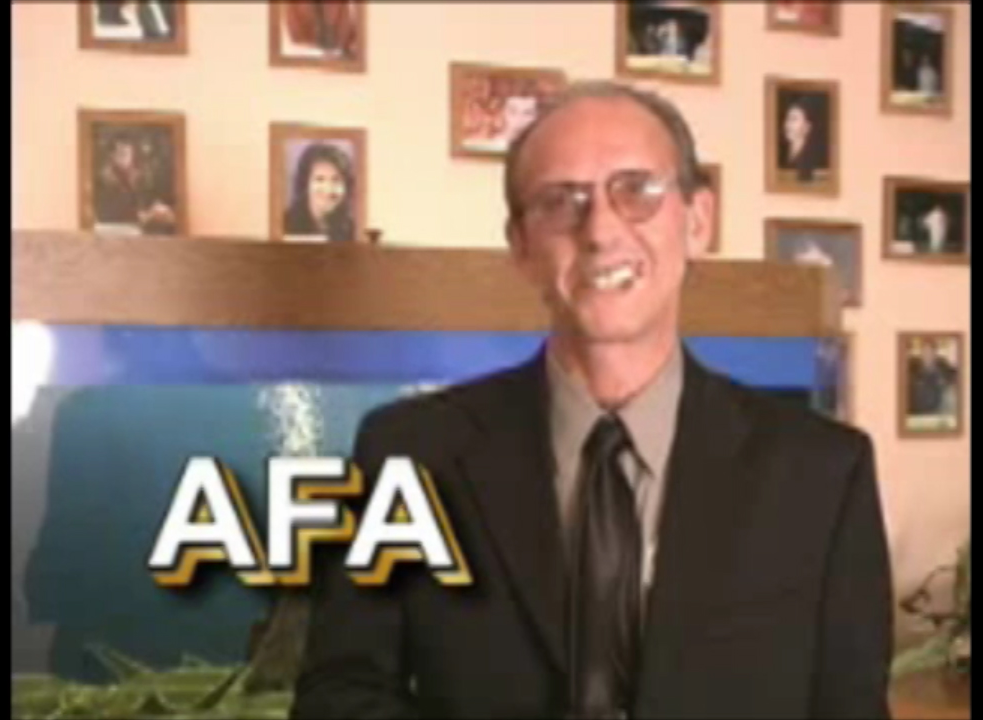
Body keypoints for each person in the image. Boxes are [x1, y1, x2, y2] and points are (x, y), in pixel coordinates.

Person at [291, 81, 893, 719]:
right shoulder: (408, 453)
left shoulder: (823, 474)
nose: (601, 229)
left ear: (696, 221)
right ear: (521, 247)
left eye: (637, 190)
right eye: (561, 201)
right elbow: (338, 697)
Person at [284, 143, 356, 243]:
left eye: (336, 180)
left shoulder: (353, 230)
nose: (328, 188)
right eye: (319, 179)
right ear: (305, 183)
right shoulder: (285, 224)